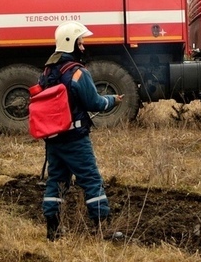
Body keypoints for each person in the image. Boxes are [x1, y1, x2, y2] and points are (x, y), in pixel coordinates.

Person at [39, 21, 123, 241]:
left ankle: (53, 230)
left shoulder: (47, 72)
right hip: (75, 138)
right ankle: (102, 228)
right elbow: (94, 102)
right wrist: (112, 100)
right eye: (81, 43)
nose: (83, 47)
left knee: (57, 181)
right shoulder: (77, 73)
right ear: (70, 44)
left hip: (53, 138)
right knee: (91, 179)